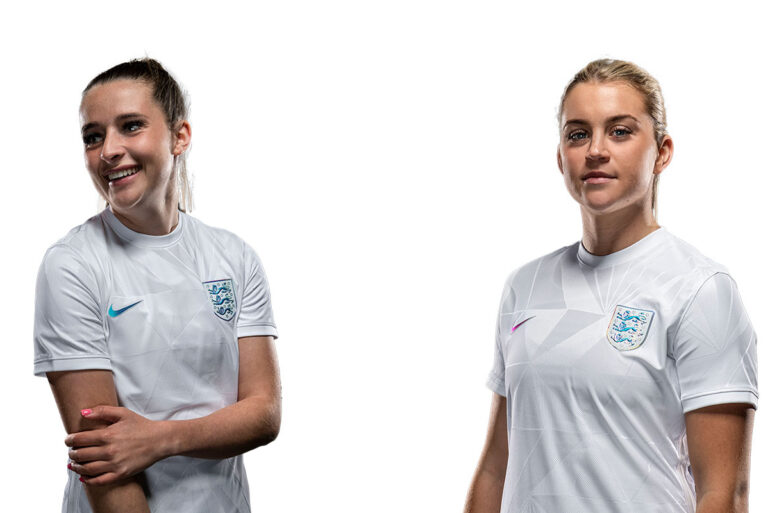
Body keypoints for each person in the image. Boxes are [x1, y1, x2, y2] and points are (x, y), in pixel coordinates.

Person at [464, 59, 758, 513]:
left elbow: (724, 492)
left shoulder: (701, 290)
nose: (595, 150)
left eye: (620, 131)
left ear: (661, 152)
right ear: (561, 156)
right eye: (577, 133)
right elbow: (495, 467)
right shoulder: (525, 286)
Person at [33, 58, 281, 513]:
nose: (108, 149)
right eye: (93, 136)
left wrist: (158, 439)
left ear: (179, 136)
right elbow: (104, 465)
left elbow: (263, 414)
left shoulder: (234, 256)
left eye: (130, 126)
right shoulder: (72, 265)